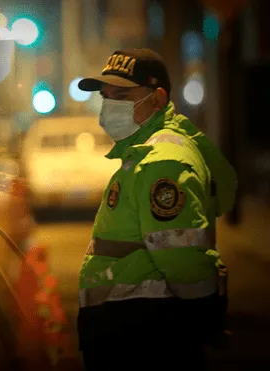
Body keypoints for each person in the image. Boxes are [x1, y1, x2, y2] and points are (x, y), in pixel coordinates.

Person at [75, 48, 236, 370]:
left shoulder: (161, 160)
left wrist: (203, 318)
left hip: (145, 334)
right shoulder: (143, 152)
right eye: (106, 97)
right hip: (136, 326)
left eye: (121, 96)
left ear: (157, 99)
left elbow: (182, 256)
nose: (109, 107)